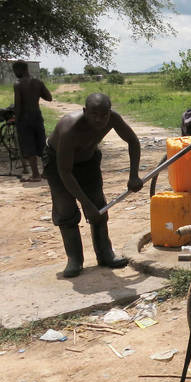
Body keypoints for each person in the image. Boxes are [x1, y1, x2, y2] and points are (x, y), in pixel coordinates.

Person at [43, 93, 143, 278]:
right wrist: (86, 204)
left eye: (104, 114)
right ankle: (74, 259)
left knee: (99, 208)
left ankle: (105, 254)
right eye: (94, 114)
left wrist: (134, 175)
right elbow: (65, 172)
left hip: (88, 161)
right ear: (85, 112)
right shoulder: (69, 129)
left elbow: (133, 141)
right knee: (65, 210)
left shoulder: (113, 119)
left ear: (109, 112)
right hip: (58, 165)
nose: (99, 119)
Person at [12, 60, 52, 182]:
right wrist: (36, 93)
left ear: (21, 69)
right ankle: (47, 172)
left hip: (25, 118)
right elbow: (49, 98)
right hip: (37, 116)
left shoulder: (18, 84)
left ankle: (35, 175)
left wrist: (16, 119)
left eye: (15, 71)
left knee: (29, 145)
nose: (15, 73)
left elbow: (18, 105)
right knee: (42, 144)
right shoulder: (38, 82)